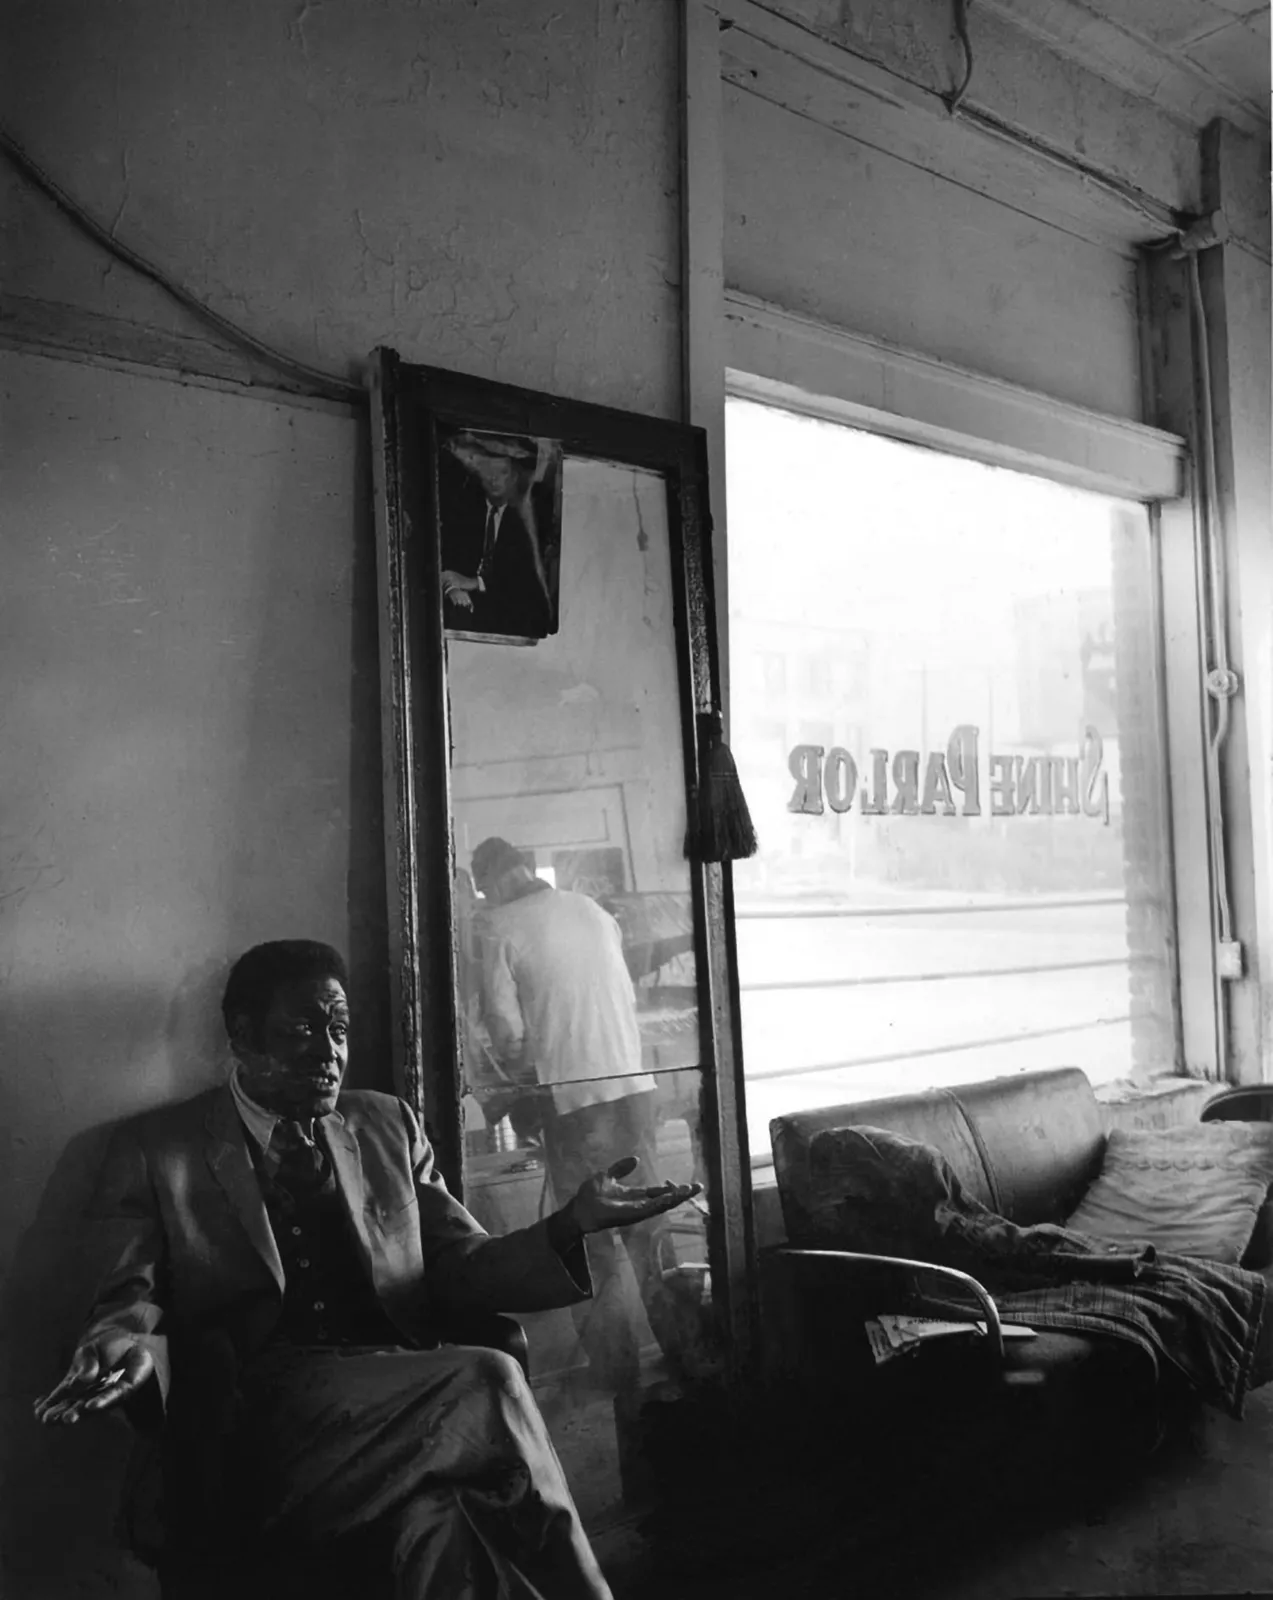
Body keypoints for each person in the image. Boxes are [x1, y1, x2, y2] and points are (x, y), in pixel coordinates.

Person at [33, 940, 699, 1598]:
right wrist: (118, 1348)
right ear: (242, 1036)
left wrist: (570, 1224)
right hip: (261, 1427)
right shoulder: (159, 1149)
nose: (329, 1052)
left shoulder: (384, 1124)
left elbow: (462, 1264)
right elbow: (127, 1298)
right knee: (488, 1374)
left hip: (400, 1405)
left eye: (339, 1029)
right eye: (302, 1030)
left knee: (436, 1524)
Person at [469, 838, 684, 1393]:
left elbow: (507, 1032)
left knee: (589, 1240)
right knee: (648, 1230)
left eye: (484, 888)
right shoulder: (591, 910)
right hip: (634, 1092)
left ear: (493, 880)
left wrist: (512, 1069)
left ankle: (616, 1373)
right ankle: (686, 1353)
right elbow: (620, 997)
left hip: (575, 1103)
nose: (487, 897)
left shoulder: (499, 926)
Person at [439, 431, 560, 640]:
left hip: (511, 618)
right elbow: (447, 561)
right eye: (488, 471)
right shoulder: (465, 511)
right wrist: (450, 587)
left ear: (514, 476)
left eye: (502, 472)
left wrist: (474, 582)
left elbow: (522, 582)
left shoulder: (528, 520)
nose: (493, 479)